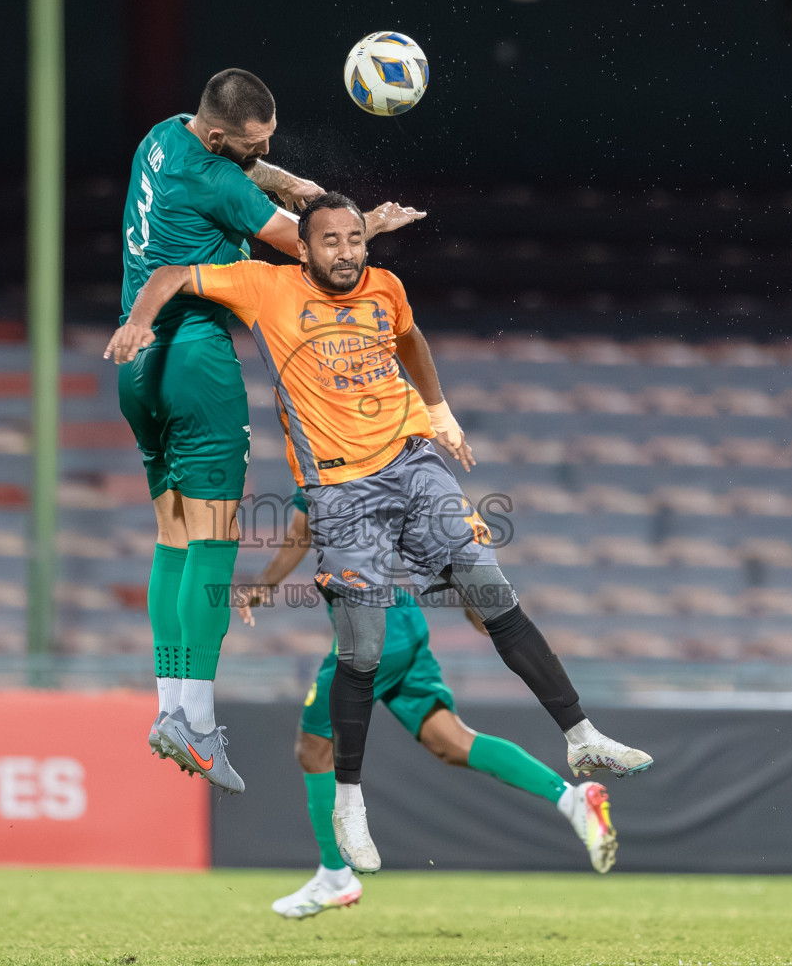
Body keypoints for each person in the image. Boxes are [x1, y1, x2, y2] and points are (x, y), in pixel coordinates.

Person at [106, 192, 652, 872]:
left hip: (413, 460)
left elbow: (411, 340)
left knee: (486, 596)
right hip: (340, 489)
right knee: (435, 726)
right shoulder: (263, 284)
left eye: (354, 240)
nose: (345, 253)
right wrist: (138, 322)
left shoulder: (385, 288)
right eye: (330, 242)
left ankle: (579, 736)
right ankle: (355, 810)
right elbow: (172, 276)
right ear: (299, 249)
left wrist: (440, 412)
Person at [119, 69, 424, 793]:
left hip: (138, 368)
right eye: (253, 144)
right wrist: (361, 228)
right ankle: (194, 720)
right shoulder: (222, 186)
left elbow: (254, 175)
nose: (263, 151)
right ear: (221, 137)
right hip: (196, 362)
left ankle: (169, 712)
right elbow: (310, 250)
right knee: (217, 545)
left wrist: (285, 179)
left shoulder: (162, 136)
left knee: (173, 538)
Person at [239, 487, 620, 918]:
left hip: (374, 626)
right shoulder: (341, 465)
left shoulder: (330, 469)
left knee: (313, 748)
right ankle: (572, 800)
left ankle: (334, 876)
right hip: (403, 620)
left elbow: (302, 537)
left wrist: (262, 586)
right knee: (450, 741)